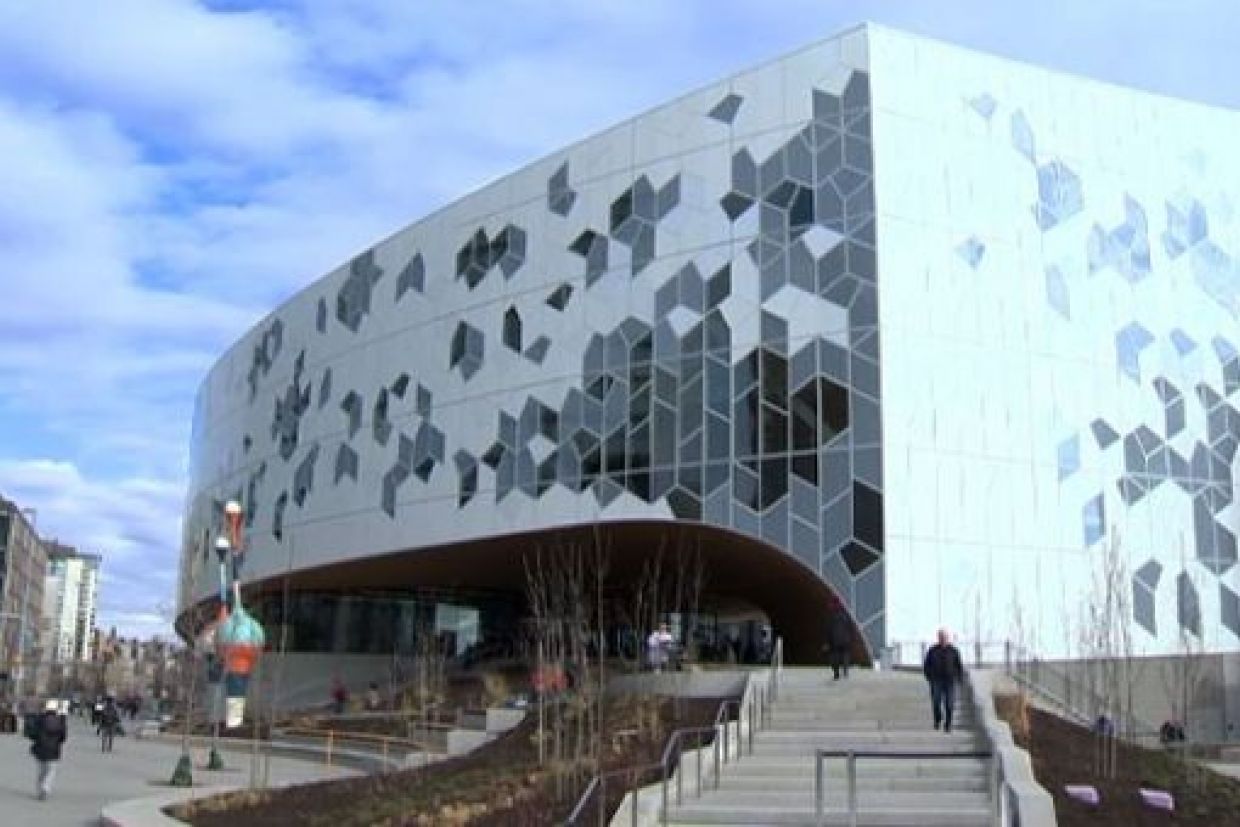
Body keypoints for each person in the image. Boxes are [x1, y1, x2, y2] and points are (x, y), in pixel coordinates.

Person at [922, 628, 964, 733]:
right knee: (936, 701)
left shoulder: (953, 651)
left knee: (949, 703)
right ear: (938, 638)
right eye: (941, 637)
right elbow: (926, 665)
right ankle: (937, 719)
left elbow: (959, 666)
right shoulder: (932, 650)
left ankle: (948, 724)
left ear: (948, 638)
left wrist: (959, 678)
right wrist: (929, 676)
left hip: (950, 681)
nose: (943, 639)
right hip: (936, 680)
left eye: (945, 637)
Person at [26, 699, 67, 800]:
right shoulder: (60, 720)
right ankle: (46, 787)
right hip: (54, 749)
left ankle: (40, 790)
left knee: (41, 771)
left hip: (41, 748)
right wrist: (57, 742)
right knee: (51, 770)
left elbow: (33, 734)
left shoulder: (39, 719)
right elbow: (63, 737)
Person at [826, 604, 852, 680]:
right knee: (845, 655)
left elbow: (829, 630)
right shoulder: (846, 617)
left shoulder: (832, 617)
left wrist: (828, 642)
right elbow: (850, 629)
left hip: (835, 641)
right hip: (845, 640)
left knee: (835, 657)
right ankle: (845, 670)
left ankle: (836, 673)